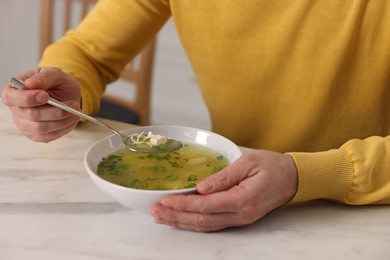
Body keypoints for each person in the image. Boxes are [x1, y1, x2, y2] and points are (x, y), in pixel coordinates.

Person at [2, 0, 390, 232]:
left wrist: (307, 174)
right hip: (226, 200)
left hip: (367, 209)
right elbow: (88, 50)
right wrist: (64, 90)